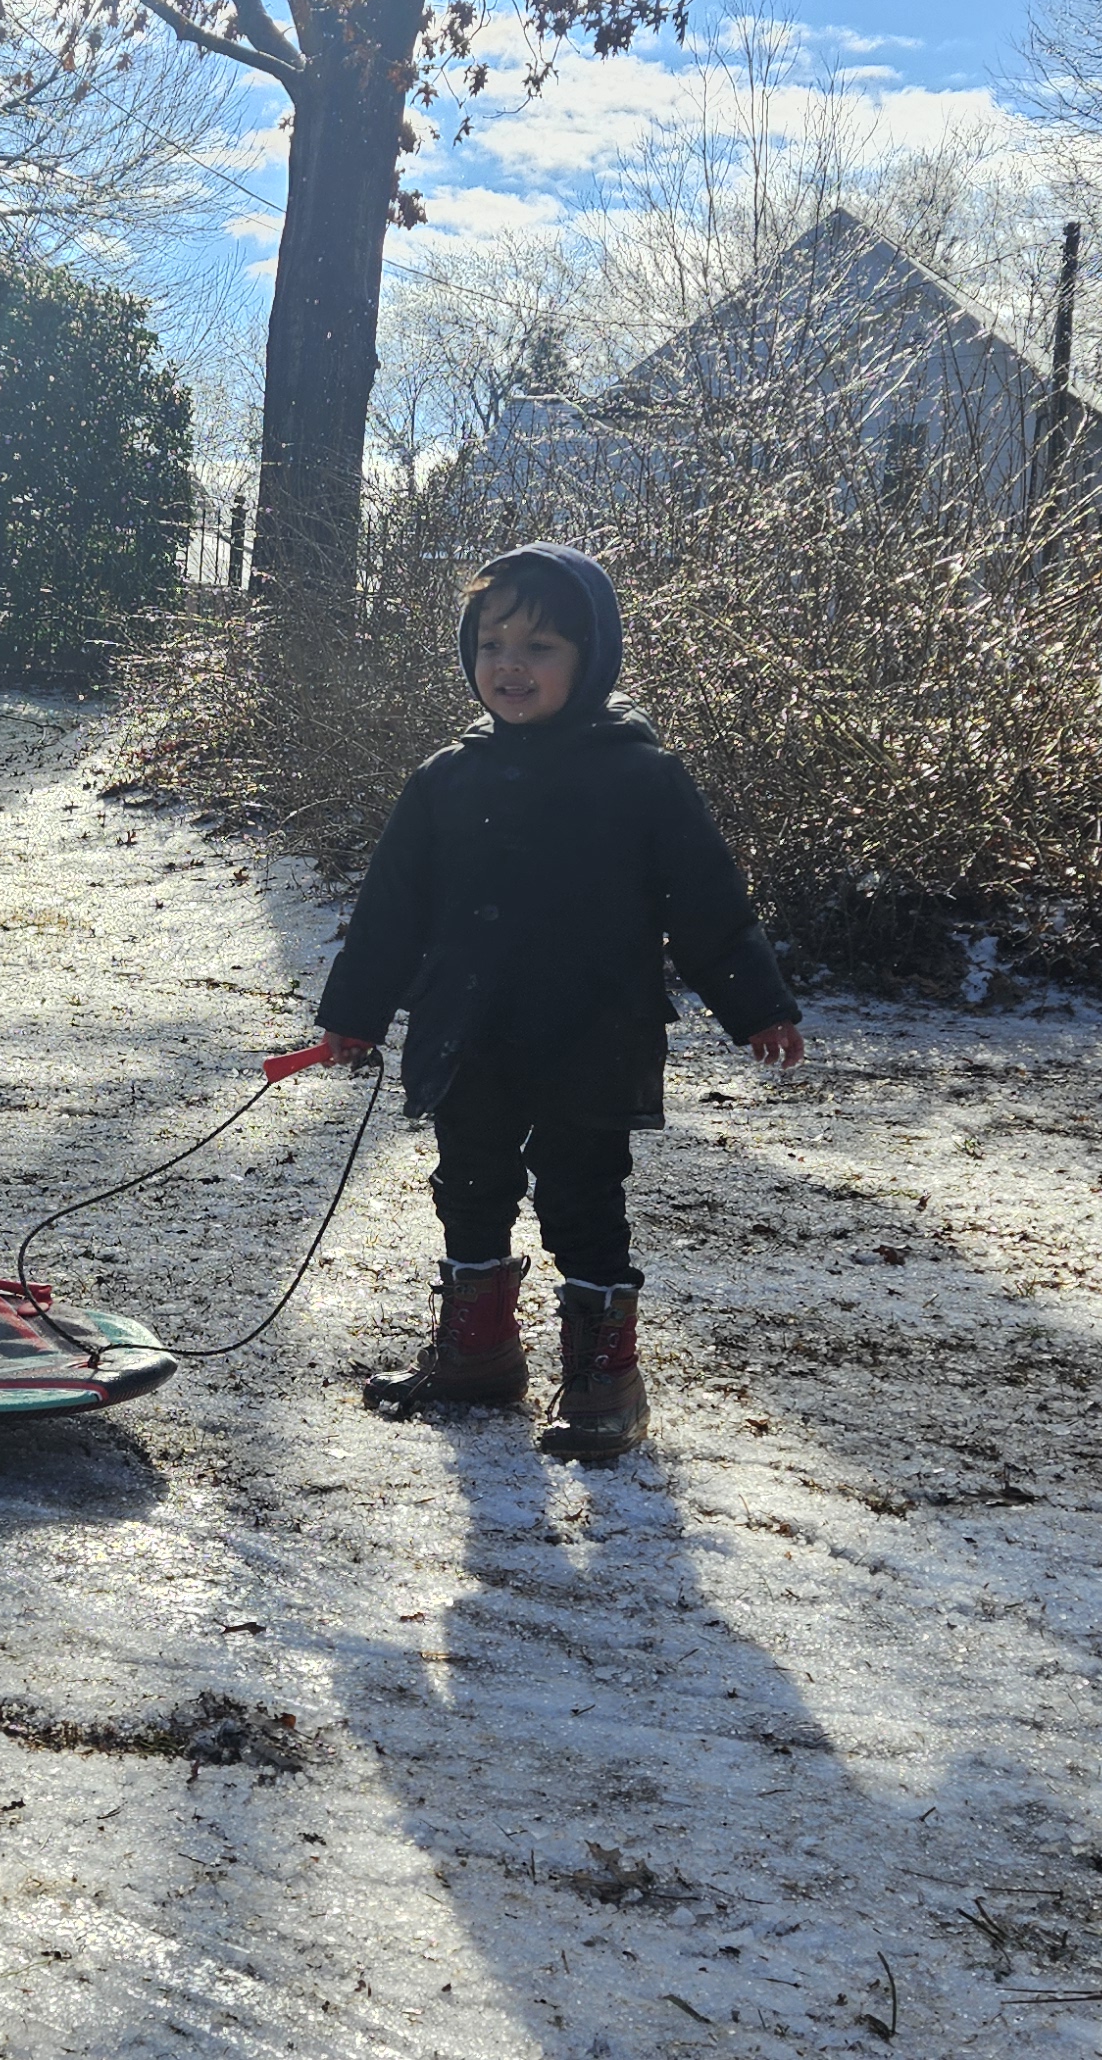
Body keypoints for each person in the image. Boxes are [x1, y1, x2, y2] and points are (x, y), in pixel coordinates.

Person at [312, 542, 805, 1461]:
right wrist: (355, 1012)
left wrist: (758, 1004)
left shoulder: (639, 777)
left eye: (540, 646)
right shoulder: (443, 781)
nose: (510, 664)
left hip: (591, 1033)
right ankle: (480, 1349)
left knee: (582, 1194)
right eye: (492, 643)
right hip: (470, 1027)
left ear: (591, 660)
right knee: (469, 1183)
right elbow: (390, 912)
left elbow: (706, 904)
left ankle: (606, 1380)